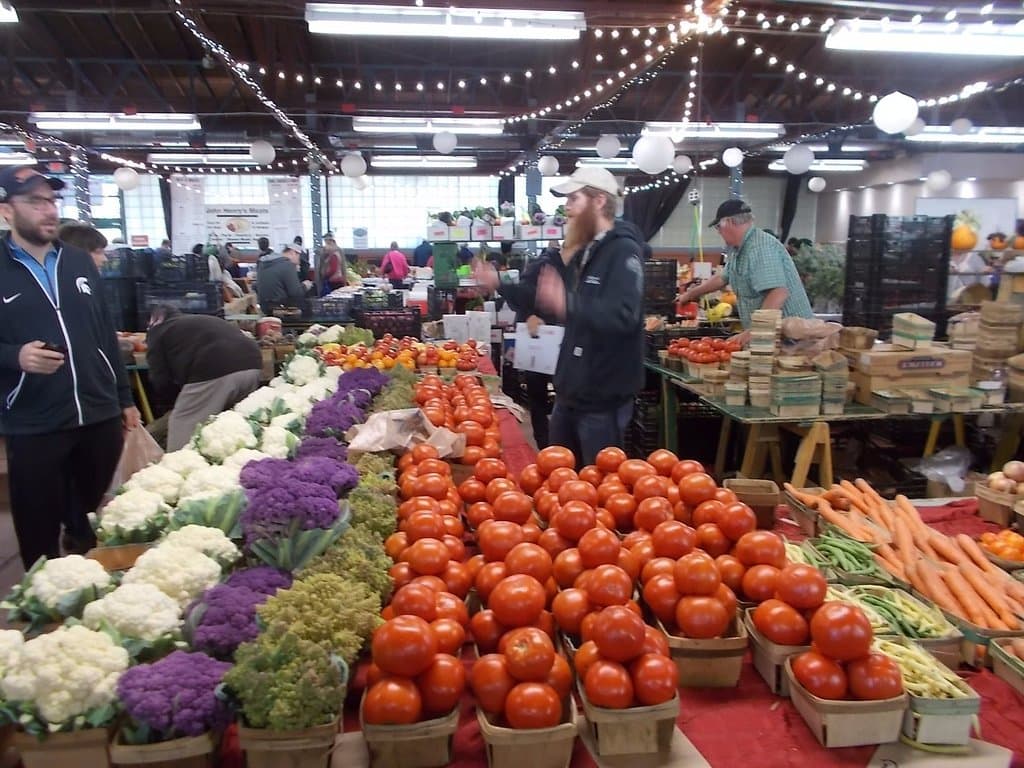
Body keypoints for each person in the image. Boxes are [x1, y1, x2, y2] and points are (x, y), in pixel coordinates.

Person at [0, 165, 140, 567]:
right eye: (35, 202)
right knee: (38, 528)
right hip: (34, 419)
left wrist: (124, 399)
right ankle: (43, 606)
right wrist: (15, 356)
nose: (48, 210)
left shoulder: (78, 262)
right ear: (7, 211)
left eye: (52, 201)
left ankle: (93, 589)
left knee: (99, 519)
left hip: (98, 414)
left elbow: (103, 332)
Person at [530, 166, 647, 467]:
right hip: (571, 394)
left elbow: (624, 316)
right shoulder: (585, 251)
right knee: (558, 480)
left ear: (598, 202)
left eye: (573, 199)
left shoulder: (623, 252)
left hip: (601, 400)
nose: (566, 208)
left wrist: (568, 303)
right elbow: (553, 300)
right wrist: (500, 286)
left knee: (598, 490)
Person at [679, 199, 814, 346]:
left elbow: (778, 293)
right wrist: (690, 294)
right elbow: (722, 278)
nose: (719, 232)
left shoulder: (760, 247)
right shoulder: (740, 249)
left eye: (718, 227)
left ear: (729, 222)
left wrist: (754, 331)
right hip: (772, 337)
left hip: (792, 340)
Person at [474, 247, 566, 450]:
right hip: (539, 340)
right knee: (541, 397)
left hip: (556, 341)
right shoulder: (545, 264)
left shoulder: (581, 264)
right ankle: (547, 448)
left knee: (553, 397)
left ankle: (555, 447)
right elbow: (524, 295)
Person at [145, 306, 262, 451]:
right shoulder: (195, 321)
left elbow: (159, 378)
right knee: (234, 427)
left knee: (183, 424)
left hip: (215, 367)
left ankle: (180, 468)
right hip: (253, 362)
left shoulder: (157, 331)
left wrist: (173, 403)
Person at [257, 242, 312, 315]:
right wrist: (305, 285)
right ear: (292, 252)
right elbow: (295, 293)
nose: (299, 262)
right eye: (299, 257)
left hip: (266, 309)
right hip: (283, 310)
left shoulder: (264, 263)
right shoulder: (287, 265)